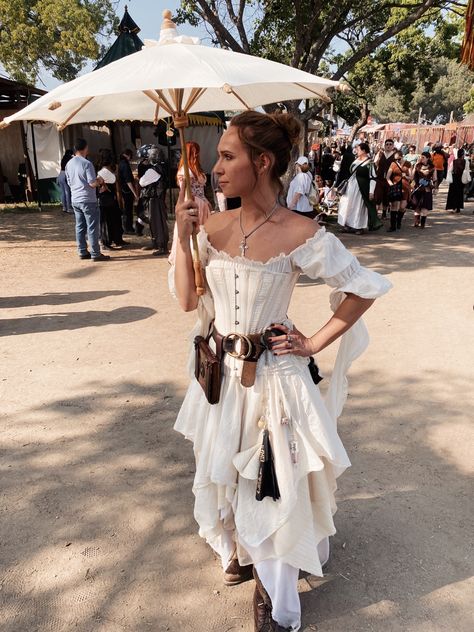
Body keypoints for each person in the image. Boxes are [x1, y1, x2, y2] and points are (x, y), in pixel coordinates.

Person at [170, 110, 392, 632]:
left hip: (275, 381)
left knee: (273, 481)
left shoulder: (301, 231)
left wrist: (311, 341)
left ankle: (273, 597)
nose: (217, 169)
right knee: (225, 469)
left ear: (263, 161)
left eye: (229, 156)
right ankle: (237, 549)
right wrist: (183, 240)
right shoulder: (211, 226)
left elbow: (363, 288)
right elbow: (185, 301)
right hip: (219, 379)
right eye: (218, 158)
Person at [65, 139, 109, 261]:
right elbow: (92, 183)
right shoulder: (87, 163)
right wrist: (100, 180)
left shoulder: (69, 164)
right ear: (85, 148)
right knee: (92, 227)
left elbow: (69, 182)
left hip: (75, 199)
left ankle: (82, 251)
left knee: (79, 226)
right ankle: (95, 253)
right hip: (88, 199)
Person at [338, 142, 382, 234]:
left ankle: (358, 227)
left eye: (358, 149)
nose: (356, 151)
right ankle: (348, 225)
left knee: (358, 207)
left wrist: (371, 192)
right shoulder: (355, 160)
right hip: (351, 187)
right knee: (347, 205)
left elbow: (373, 178)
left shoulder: (370, 163)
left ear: (364, 151)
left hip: (361, 188)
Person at [139, 146, 170, 255]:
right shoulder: (163, 167)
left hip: (154, 199)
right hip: (159, 198)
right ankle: (156, 242)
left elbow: (141, 182)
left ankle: (161, 246)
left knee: (157, 222)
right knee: (157, 221)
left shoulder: (153, 170)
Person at [96, 149, 127, 250]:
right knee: (109, 221)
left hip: (107, 200)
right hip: (108, 200)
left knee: (111, 220)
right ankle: (107, 242)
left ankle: (114, 239)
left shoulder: (102, 172)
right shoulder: (105, 172)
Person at [386, 150, 412, 232]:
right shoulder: (393, 164)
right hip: (396, 187)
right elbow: (387, 177)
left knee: (402, 207)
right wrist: (391, 185)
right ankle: (392, 226)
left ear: (402, 156)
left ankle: (399, 220)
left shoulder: (408, 164)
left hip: (405, 187)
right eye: (396, 159)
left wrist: (406, 176)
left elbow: (411, 177)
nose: (397, 160)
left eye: (399, 159)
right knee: (394, 206)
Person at [412, 152, 437, 228]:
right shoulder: (417, 166)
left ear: (428, 158)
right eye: (420, 157)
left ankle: (422, 224)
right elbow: (412, 176)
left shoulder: (432, 167)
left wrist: (435, 188)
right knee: (417, 206)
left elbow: (435, 179)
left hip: (427, 189)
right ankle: (416, 222)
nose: (421, 158)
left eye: (423, 157)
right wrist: (415, 166)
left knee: (425, 206)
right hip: (417, 188)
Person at [118, 148, 138, 234]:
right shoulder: (125, 165)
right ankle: (128, 228)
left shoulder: (121, 163)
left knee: (127, 209)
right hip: (127, 190)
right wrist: (134, 192)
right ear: (128, 155)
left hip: (124, 189)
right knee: (128, 209)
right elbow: (128, 181)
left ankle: (127, 227)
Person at [374, 139, 396, 218]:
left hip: (389, 179)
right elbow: (375, 164)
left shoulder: (395, 155)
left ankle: (384, 213)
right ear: (384, 145)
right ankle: (375, 214)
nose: (388, 146)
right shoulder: (380, 154)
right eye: (387, 144)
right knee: (378, 196)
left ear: (393, 146)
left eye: (390, 144)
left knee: (386, 197)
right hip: (379, 178)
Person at [446, 148, 470, 214]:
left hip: (454, 179)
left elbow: (450, 170)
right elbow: (467, 170)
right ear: (463, 155)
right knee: (460, 193)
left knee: (453, 193)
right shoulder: (466, 161)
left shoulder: (454, 161)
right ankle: (458, 208)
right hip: (461, 179)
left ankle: (454, 207)